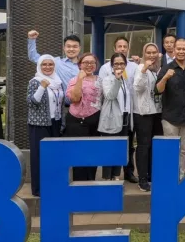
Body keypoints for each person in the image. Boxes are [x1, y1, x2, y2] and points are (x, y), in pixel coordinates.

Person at [98, 36, 140, 183]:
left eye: (125, 46)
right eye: (119, 46)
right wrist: (116, 79)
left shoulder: (132, 69)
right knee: (110, 147)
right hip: (111, 115)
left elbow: (132, 91)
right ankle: (107, 176)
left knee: (125, 147)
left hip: (127, 115)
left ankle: (123, 174)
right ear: (114, 48)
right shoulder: (106, 72)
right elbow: (107, 95)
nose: (119, 66)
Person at [156, 38, 185, 180]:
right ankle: (169, 177)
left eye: (184, 49)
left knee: (184, 150)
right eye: (178, 49)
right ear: (174, 50)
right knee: (171, 149)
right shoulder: (167, 68)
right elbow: (158, 90)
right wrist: (165, 78)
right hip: (170, 118)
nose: (181, 51)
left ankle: (180, 177)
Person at [27, 30, 81, 133]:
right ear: (64, 48)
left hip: (79, 109)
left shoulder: (84, 65)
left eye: (75, 46)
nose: (71, 49)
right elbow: (34, 57)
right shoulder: (56, 62)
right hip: (61, 108)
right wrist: (32, 39)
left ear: (79, 48)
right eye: (68, 46)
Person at [26, 54, 63, 197]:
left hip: (55, 122)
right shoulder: (35, 81)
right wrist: (42, 87)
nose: (48, 67)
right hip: (39, 124)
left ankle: (52, 185)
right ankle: (38, 189)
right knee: (39, 156)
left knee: (53, 156)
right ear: (39, 66)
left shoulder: (58, 81)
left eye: (50, 64)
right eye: (44, 64)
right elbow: (31, 102)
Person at [65, 53, 102, 181]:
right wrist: (80, 79)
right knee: (78, 154)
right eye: (85, 62)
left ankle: (91, 182)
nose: (89, 65)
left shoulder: (100, 80)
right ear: (80, 65)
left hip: (94, 120)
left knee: (93, 153)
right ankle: (79, 184)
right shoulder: (73, 80)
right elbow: (75, 99)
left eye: (92, 62)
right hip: (76, 121)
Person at [133, 43, 164, 192]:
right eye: (148, 52)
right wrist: (144, 69)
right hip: (143, 112)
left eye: (154, 52)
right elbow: (138, 87)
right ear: (144, 54)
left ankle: (151, 174)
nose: (151, 55)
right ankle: (142, 178)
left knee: (154, 145)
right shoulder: (140, 68)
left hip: (157, 111)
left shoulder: (157, 69)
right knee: (144, 146)